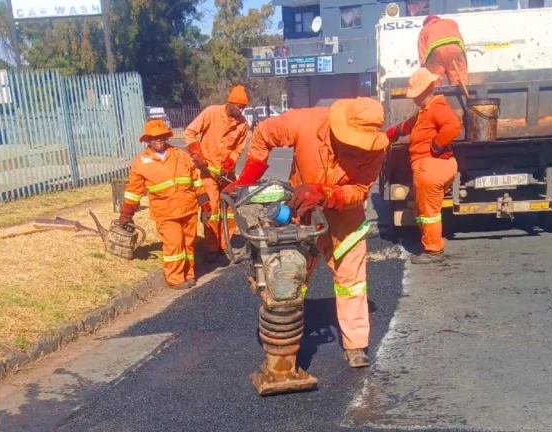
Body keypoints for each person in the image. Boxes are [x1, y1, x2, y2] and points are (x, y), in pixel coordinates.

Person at [225, 97, 389, 368]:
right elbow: (264, 134)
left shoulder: (375, 149)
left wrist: (325, 192)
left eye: (362, 148)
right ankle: (285, 347)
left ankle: (356, 345)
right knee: (289, 280)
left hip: (346, 223)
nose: (357, 153)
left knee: (352, 284)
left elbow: (359, 191)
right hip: (302, 221)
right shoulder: (303, 123)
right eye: (351, 146)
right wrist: (246, 184)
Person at [120, 119, 212, 290]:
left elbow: (196, 180)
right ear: (147, 139)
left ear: (166, 136)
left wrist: (205, 202)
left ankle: (189, 274)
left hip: (188, 209)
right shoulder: (140, 163)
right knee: (174, 245)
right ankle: (175, 279)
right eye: (154, 137)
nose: (159, 140)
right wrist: (126, 214)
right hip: (166, 213)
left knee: (188, 244)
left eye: (162, 136)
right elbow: (133, 191)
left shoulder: (180, 155)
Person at [385, 67, 461, 264]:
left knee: (428, 212)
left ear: (427, 90)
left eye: (416, 95)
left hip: (432, 167)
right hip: (430, 167)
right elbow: (411, 124)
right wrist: (394, 131)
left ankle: (433, 250)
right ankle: (433, 241)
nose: (413, 99)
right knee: (424, 210)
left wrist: (436, 145)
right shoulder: (425, 111)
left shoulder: (437, 107)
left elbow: (453, 126)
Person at [184, 85, 250, 262]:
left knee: (229, 209)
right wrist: (197, 155)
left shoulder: (242, 124)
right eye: (239, 106)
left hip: (226, 174)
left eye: (244, 107)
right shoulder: (211, 113)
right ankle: (212, 247)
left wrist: (229, 163)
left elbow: (238, 149)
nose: (241, 110)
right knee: (212, 208)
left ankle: (225, 244)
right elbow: (189, 133)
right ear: (230, 103)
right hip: (207, 172)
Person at [418, 14, 468, 86]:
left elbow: (422, 52)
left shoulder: (425, 29)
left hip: (437, 52)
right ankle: (461, 94)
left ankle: (436, 95)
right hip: (456, 48)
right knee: (459, 76)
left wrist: (424, 68)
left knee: (434, 79)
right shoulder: (451, 23)